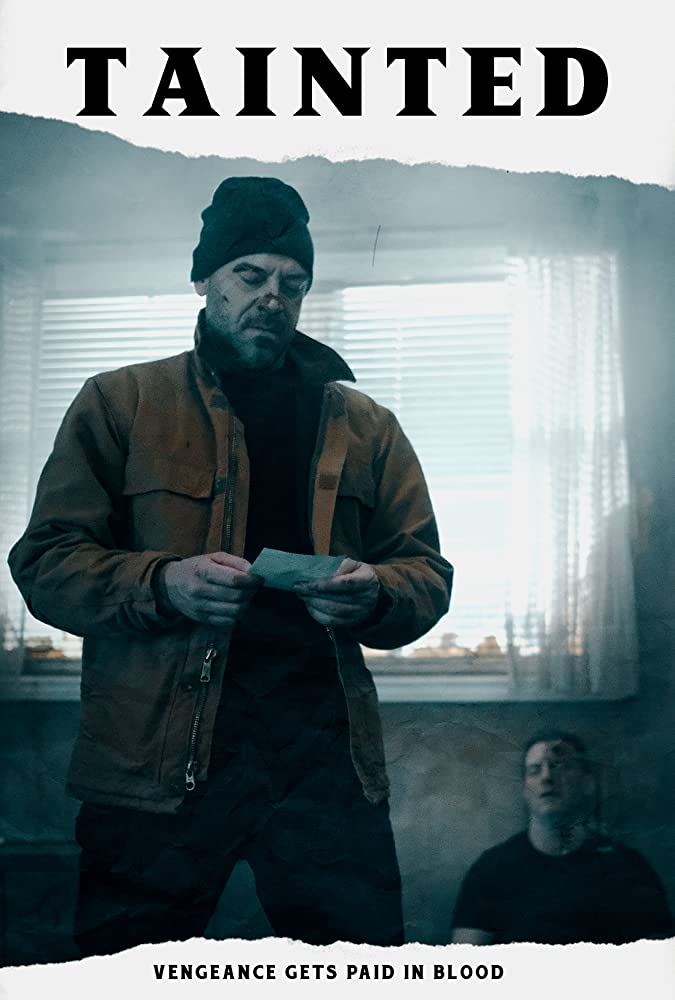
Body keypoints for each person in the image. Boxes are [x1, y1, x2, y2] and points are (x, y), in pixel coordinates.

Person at [8, 176, 453, 955]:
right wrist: (162, 583)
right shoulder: (119, 402)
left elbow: (425, 572)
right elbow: (45, 564)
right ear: (204, 280)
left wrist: (377, 593)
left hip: (321, 767)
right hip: (154, 770)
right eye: (250, 276)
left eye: (292, 283)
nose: (272, 297)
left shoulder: (367, 426)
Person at [451, 730, 673, 944]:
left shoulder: (628, 868)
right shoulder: (491, 871)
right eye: (535, 770)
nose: (547, 777)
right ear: (524, 789)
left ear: (587, 783)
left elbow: (658, 961)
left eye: (560, 766)